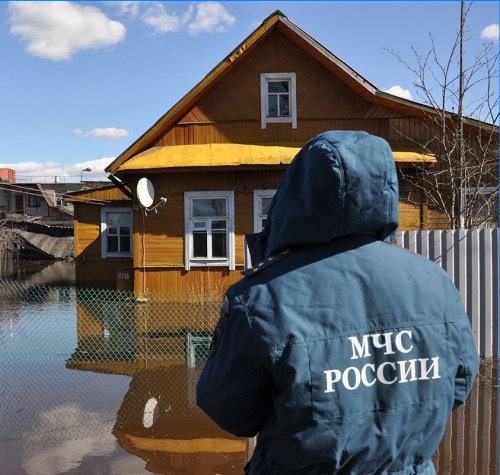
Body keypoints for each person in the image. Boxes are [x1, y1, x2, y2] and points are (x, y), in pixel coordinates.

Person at [197, 130, 480, 475]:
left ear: (297, 196)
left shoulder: (261, 297)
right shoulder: (434, 281)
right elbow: (459, 385)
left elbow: (230, 411)